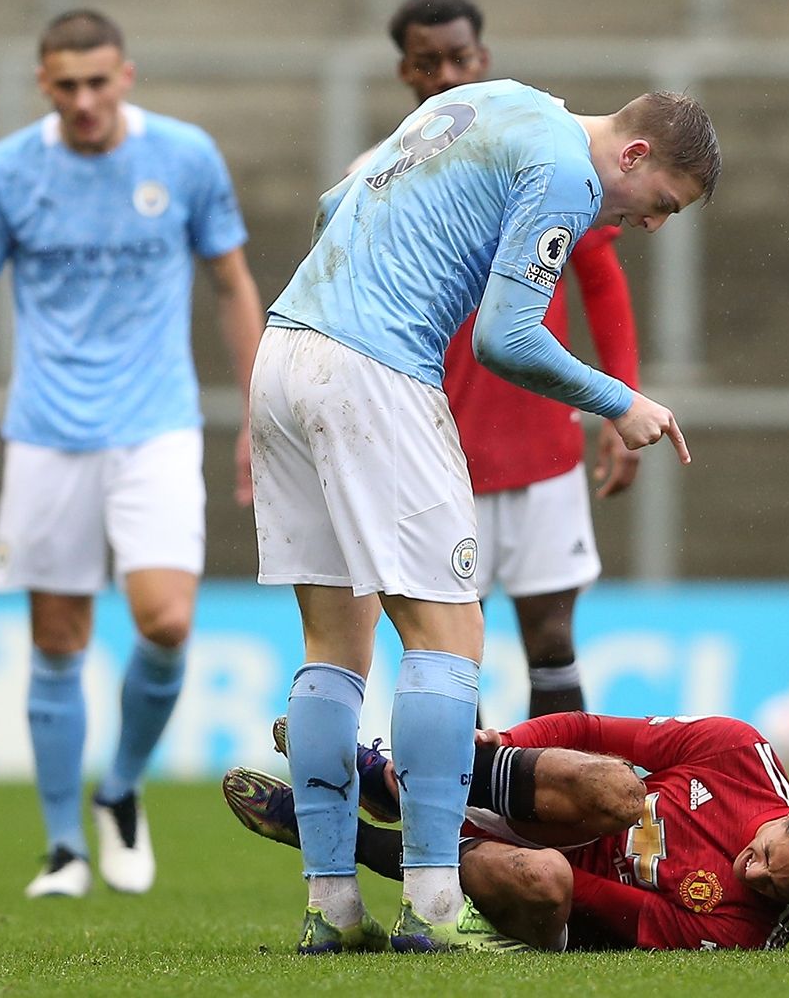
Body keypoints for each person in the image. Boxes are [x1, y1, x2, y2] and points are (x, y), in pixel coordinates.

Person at [250, 79, 711, 954]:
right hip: (376, 370)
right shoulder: (569, 174)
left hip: (287, 349)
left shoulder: (490, 99)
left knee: (332, 643)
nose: (647, 225)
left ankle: (331, 909)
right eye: (659, 206)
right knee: (449, 637)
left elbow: (334, 202)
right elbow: (507, 337)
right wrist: (619, 402)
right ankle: (430, 908)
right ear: (636, 155)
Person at [0, 9, 264, 900]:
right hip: (49, 430)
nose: (85, 100)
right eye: (67, 85)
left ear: (126, 76)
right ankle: (63, 847)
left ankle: (122, 788)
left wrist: (259, 414)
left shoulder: (182, 157)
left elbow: (234, 284)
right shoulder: (7, 172)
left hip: (156, 425)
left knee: (166, 621)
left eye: (99, 82)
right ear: (44, 85)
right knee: (55, 640)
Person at [378, 0, 643, 718]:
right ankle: (466, 823)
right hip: (438, 444)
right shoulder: (387, 170)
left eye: (459, 58)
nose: (447, 75)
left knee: (553, 638)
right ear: (405, 70)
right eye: (428, 62)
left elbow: (600, 277)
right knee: (449, 650)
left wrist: (623, 400)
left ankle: (569, 823)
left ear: (484, 60)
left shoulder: (545, 152)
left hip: (538, 441)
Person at [223, 712, 789, 952]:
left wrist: (469, 853)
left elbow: (592, 901)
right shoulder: (739, 752)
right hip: (536, 807)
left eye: (778, 890)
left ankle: (334, 832)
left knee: (545, 874)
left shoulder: (745, 928)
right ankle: (400, 779)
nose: (756, 877)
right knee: (618, 786)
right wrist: (500, 741)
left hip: (546, 908)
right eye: (771, 857)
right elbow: (588, 729)